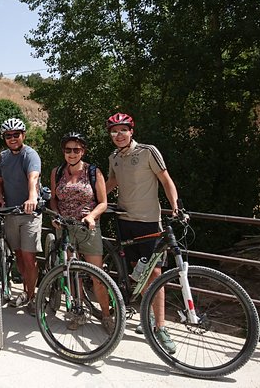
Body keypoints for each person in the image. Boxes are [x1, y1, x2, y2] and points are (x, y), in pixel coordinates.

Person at [105, 112, 179, 353]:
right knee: (136, 269)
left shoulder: (148, 151)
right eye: (114, 131)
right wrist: (94, 201)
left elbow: (165, 179)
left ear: (131, 131)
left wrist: (176, 205)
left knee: (155, 272)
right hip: (124, 220)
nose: (118, 135)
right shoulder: (114, 157)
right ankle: (144, 317)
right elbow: (111, 182)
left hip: (148, 221)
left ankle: (160, 327)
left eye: (122, 130)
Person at [49, 132, 113, 332]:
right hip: (65, 229)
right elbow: (53, 198)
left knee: (97, 276)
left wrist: (92, 216)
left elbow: (103, 202)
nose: (72, 153)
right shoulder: (57, 172)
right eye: (68, 150)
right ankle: (78, 312)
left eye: (76, 150)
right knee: (72, 274)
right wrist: (56, 215)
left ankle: (106, 315)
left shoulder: (94, 172)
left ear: (83, 151)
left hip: (88, 228)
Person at [0, 118, 41, 316]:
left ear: (23, 135)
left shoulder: (30, 154)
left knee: (29, 258)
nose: (12, 138)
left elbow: (33, 177)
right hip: (11, 212)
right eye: (8, 136)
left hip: (29, 213)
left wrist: (32, 197)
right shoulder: (3, 157)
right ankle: (25, 292)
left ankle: (33, 296)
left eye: (16, 134)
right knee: (19, 255)